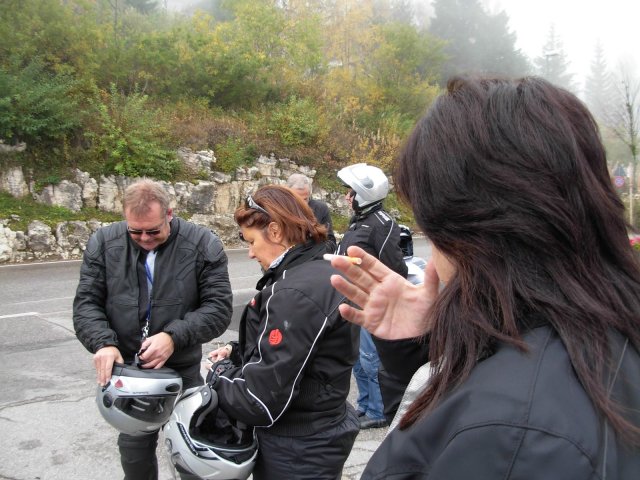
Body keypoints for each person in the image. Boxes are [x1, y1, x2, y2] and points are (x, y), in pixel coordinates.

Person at [328, 76, 640, 478]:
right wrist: (425, 343)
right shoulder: (604, 322)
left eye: (431, 226)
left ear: (470, 228)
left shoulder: (511, 435)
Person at [73, 178, 233, 480]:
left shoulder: (202, 243)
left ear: (169, 214)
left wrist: (173, 337)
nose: (144, 238)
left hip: (183, 369)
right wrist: (103, 342)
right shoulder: (104, 243)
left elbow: (218, 309)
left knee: (195, 454)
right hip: (129, 372)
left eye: (153, 231)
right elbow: (86, 304)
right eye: (135, 231)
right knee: (134, 455)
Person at [206, 185, 360, 479]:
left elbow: (260, 401)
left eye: (252, 241)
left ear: (275, 231)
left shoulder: (294, 292)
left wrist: (217, 374)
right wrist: (237, 352)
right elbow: (304, 351)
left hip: (296, 447)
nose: (250, 253)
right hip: (319, 432)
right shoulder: (319, 268)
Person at [336, 163, 408, 429]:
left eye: (351, 192)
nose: (347, 197)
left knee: (370, 358)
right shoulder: (358, 221)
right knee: (356, 358)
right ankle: (365, 404)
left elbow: (395, 267)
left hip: (371, 299)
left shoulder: (382, 223)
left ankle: (378, 411)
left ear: (364, 194)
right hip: (351, 297)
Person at [287, 172, 337, 251]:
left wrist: (313, 252)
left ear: (309, 194)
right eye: (297, 199)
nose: (302, 204)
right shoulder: (279, 210)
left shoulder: (320, 208)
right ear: (287, 195)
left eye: (305, 199)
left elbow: (331, 242)